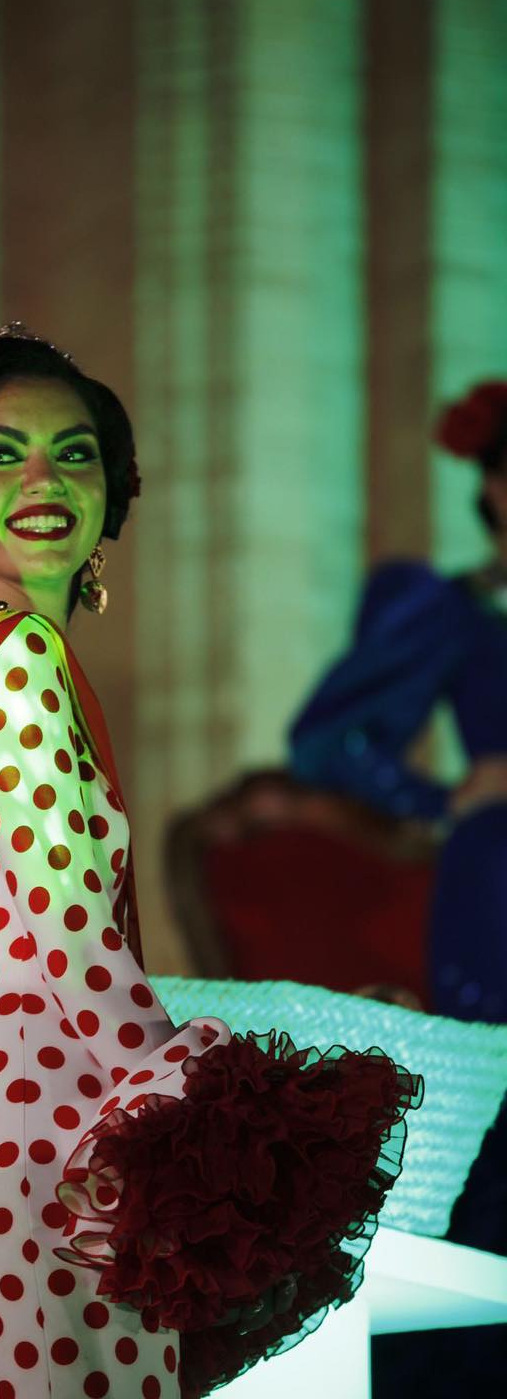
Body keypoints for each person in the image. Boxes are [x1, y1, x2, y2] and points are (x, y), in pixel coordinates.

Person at [0, 323, 421, 1399]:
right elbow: (77, 954)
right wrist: (218, 1125)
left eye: (74, 453)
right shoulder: (15, 656)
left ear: (111, 492)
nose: (44, 480)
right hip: (57, 1158)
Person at [288, 380, 507, 1395]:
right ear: (493, 487)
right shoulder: (456, 610)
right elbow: (327, 739)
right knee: (494, 1145)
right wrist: (441, 797)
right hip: (496, 890)